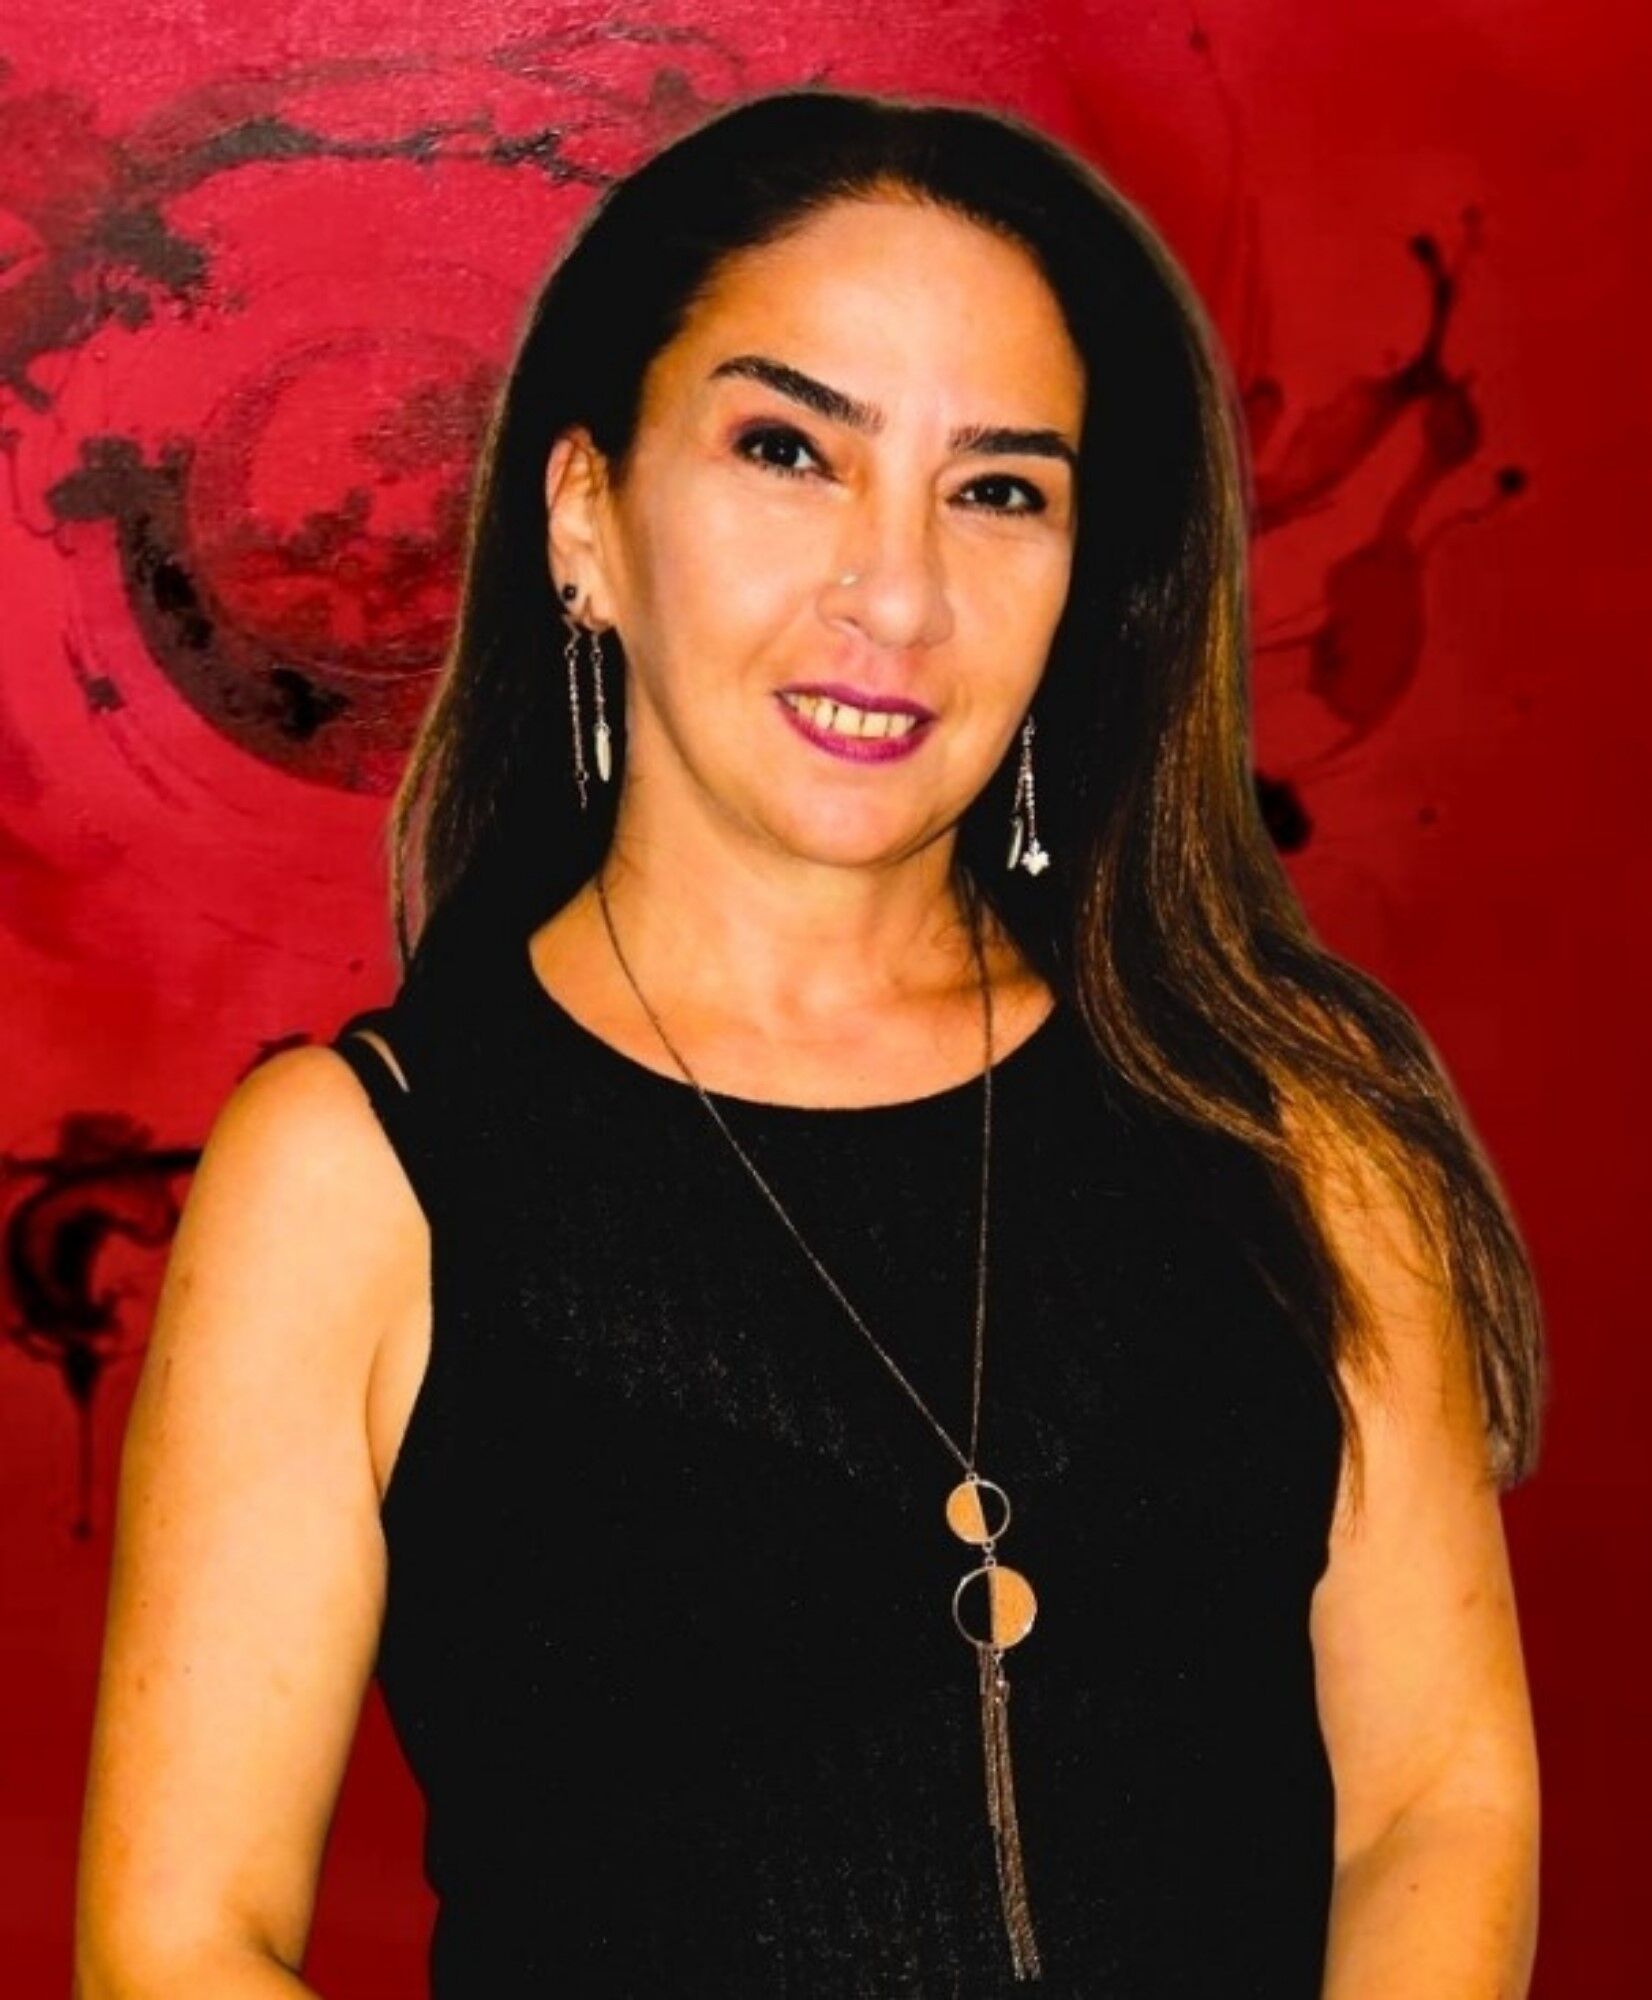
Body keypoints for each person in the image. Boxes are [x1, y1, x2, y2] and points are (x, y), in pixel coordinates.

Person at [74, 87, 1544, 1998]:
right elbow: (181, 1944)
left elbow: (1437, 1806)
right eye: (789, 450)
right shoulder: (361, 1171)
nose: (899, 594)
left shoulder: (1286, 1113)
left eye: (999, 490)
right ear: (585, 518)